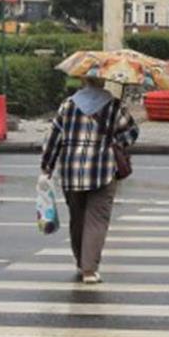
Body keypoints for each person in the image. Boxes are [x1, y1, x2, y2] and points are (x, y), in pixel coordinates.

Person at [40, 75, 139, 284]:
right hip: (103, 171)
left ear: (84, 81)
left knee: (78, 219)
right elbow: (131, 133)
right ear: (103, 82)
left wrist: (47, 166)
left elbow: (53, 138)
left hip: (70, 172)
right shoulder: (114, 105)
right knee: (97, 220)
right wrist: (115, 140)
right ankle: (89, 270)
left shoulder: (67, 106)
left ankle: (80, 261)